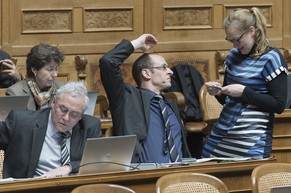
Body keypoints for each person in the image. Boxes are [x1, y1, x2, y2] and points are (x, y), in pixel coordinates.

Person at [202, 7, 288, 159]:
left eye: (237, 39)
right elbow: (229, 99)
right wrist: (218, 93)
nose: (234, 45)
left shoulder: (272, 58)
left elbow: (279, 105)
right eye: (230, 40)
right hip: (221, 137)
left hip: (252, 143)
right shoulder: (233, 56)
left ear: (251, 31)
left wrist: (244, 92)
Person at [99, 34, 191, 163]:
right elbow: (108, 62)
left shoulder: (170, 105)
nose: (171, 71)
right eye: (164, 67)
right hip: (143, 177)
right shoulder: (127, 98)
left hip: (178, 177)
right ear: (146, 73)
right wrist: (136, 44)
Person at [0, 81, 102, 179]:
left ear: (81, 116)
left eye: (74, 114)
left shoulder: (89, 126)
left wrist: (69, 167)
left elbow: (99, 160)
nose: (66, 118)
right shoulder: (22, 122)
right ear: (53, 103)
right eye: (63, 109)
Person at [6, 43, 65, 110]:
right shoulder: (16, 93)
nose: (55, 74)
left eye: (56, 69)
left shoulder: (62, 88)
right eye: (50, 69)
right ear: (34, 70)